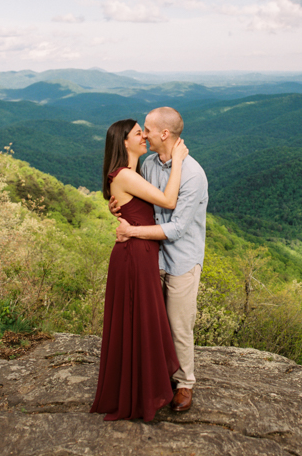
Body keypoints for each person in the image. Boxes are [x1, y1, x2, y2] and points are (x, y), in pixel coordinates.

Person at [90, 118, 188, 422]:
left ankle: (141, 387)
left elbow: (127, 203)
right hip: (135, 255)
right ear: (124, 142)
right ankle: (140, 393)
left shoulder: (132, 173)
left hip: (139, 253)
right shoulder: (125, 175)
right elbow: (169, 201)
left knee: (139, 321)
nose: (144, 136)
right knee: (139, 319)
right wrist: (179, 163)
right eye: (138, 133)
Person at [111, 107, 208, 413]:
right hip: (153, 259)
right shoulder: (149, 165)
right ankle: (158, 377)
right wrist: (118, 209)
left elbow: (177, 228)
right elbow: (136, 196)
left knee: (179, 325)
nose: (145, 134)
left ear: (164, 134)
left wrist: (132, 230)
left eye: (148, 129)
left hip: (181, 261)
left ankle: (184, 383)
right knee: (156, 323)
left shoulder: (193, 174)